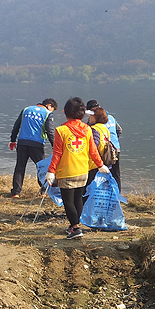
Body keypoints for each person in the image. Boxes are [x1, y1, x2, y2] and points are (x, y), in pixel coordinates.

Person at [44, 97, 110, 240]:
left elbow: (57, 154)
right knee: (78, 198)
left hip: (67, 171)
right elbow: (93, 151)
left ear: (66, 112)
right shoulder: (87, 129)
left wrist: (51, 171)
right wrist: (100, 165)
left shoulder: (61, 130)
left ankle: (75, 228)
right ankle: (74, 225)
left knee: (68, 201)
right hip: (83, 170)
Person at [9, 98, 58, 198]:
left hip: (22, 142)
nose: (51, 111)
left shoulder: (26, 109)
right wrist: (55, 146)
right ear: (49, 105)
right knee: (41, 167)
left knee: (20, 167)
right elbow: (50, 131)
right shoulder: (47, 113)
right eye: (52, 109)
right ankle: (43, 191)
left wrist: (13, 140)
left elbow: (16, 126)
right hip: (37, 144)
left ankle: (16, 192)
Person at [86, 100, 122, 189]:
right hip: (115, 148)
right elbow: (119, 130)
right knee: (115, 173)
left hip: (103, 151)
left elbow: (92, 142)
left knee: (100, 173)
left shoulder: (94, 124)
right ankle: (117, 193)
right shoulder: (111, 118)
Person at [82, 107, 112, 203]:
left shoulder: (94, 129)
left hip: (93, 164)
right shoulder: (104, 128)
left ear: (96, 117)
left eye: (91, 115)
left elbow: (93, 147)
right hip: (103, 162)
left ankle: (84, 212)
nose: (89, 117)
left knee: (86, 191)